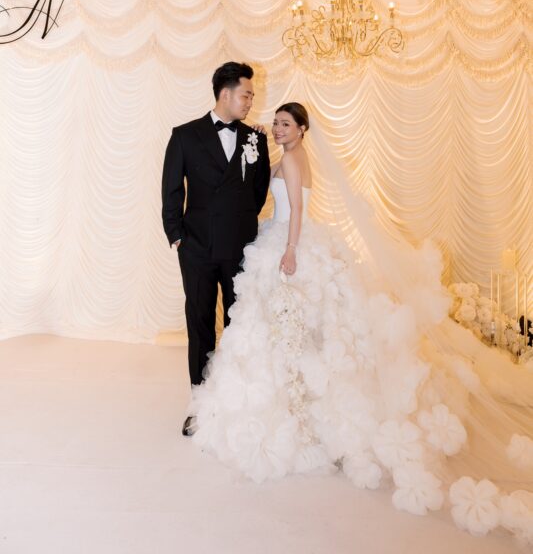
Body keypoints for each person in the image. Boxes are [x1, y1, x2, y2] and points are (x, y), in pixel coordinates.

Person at [190, 102, 533, 543]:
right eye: (275, 122)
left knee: (287, 331)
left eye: (285, 124)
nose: (277, 128)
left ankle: (298, 416)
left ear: (302, 129)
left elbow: (296, 209)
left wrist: (289, 251)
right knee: (295, 333)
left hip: (288, 242)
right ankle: (303, 408)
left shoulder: (292, 159)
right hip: (287, 239)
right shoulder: (292, 154)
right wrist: (258, 138)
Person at [161, 62, 270, 435]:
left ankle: (235, 405)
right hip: (197, 247)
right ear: (226, 94)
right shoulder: (185, 135)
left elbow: (257, 193)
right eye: (247, 95)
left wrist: (240, 225)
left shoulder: (255, 139)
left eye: (251, 96)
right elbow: (171, 191)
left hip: (240, 248)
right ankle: (200, 404)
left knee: (239, 326)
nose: (251, 102)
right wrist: (178, 237)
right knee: (200, 325)